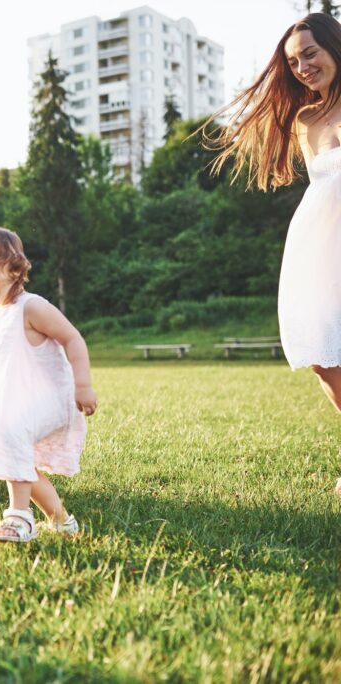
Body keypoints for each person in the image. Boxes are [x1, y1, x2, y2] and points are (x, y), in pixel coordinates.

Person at [206, 12, 341, 497]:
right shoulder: (306, 120)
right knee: (325, 358)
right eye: (293, 61)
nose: (302, 66)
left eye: (310, 53)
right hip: (319, 247)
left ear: (333, 47)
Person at [0, 226, 96, 542]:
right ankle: (64, 523)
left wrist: (83, 385)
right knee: (20, 461)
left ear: (14, 268)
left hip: (53, 400)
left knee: (11, 434)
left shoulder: (32, 307)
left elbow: (73, 338)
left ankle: (19, 517)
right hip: (20, 401)